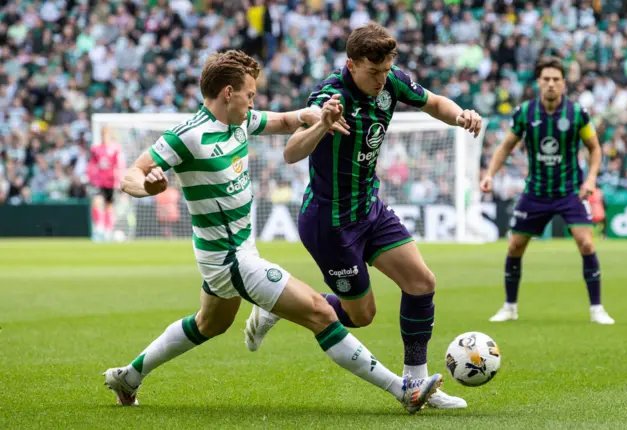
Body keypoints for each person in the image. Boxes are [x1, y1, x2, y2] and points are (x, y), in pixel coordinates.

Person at [103, 50, 442, 413]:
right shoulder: (188, 136)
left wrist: (313, 115)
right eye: (249, 95)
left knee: (209, 323)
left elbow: (283, 120)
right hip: (231, 260)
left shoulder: (240, 122)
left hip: (231, 253)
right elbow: (130, 177)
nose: (253, 102)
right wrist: (151, 186)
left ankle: (129, 376)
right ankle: (403, 389)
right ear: (228, 93)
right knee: (320, 312)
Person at [243, 23, 482, 409]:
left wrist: (461, 115)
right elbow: (290, 152)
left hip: (369, 209)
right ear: (351, 64)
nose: (381, 80)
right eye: (374, 72)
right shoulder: (329, 96)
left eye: (386, 71)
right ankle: (282, 304)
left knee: (421, 282)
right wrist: (321, 123)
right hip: (330, 222)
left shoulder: (391, 83)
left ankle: (416, 385)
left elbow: (435, 101)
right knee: (362, 316)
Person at [479, 56, 615, 325]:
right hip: (536, 192)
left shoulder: (577, 113)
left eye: (556, 79)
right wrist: (490, 174)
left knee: (586, 243)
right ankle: (510, 306)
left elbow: (595, 148)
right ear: (539, 83)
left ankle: (597, 308)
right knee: (515, 245)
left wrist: (590, 180)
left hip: (570, 192)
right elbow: (506, 146)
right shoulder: (525, 113)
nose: (551, 84)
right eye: (546, 79)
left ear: (563, 82)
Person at [87, 127, 124, 241]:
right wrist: (89, 176)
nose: (105, 136)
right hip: (99, 181)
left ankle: (108, 230)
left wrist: (120, 180)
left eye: (107, 134)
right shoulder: (95, 149)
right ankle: (99, 227)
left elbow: (119, 165)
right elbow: (92, 164)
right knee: (96, 201)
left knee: (108, 205)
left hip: (111, 182)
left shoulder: (115, 148)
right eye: (103, 134)